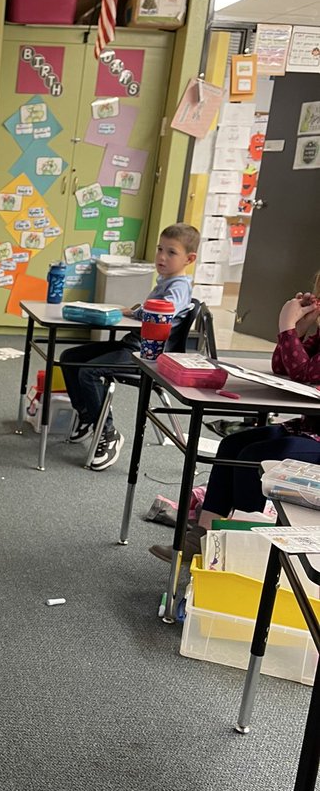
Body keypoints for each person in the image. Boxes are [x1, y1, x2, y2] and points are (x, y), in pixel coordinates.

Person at [151, 276, 320, 564]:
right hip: (307, 429)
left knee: (256, 457)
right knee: (232, 445)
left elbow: (305, 374)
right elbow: (283, 367)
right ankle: (202, 537)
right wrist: (300, 332)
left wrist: (288, 329)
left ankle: (239, 547)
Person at [59, 222, 200, 471]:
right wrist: (134, 312)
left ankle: (108, 432)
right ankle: (88, 416)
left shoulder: (179, 286)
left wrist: (137, 312)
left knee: (89, 371)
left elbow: (166, 310)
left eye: (171, 252)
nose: (162, 256)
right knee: (70, 357)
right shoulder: (165, 281)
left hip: (147, 356)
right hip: (134, 344)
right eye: (160, 249)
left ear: (189, 258)